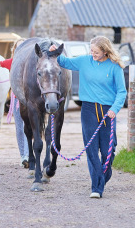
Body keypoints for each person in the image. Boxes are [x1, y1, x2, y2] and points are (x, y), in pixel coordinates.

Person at [49, 36, 127, 199]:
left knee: (108, 151)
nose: (93, 54)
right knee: (91, 149)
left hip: (107, 111)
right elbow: (65, 62)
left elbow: (122, 92)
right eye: (91, 51)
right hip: (89, 109)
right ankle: (96, 187)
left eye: (96, 52)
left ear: (105, 51)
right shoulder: (84, 61)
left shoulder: (115, 67)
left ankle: (102, 177)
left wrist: (115, 108)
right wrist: (54, 52)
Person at [0, 38, 29, 168]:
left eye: (23, 46)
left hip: (30, 101)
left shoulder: (31, 62)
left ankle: (29, 154)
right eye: (17, 47)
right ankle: (24, 156)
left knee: (28, 128)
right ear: (14, 50)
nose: (20, 49)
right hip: (17, 100)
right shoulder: (12, 62)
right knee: (19, 129)